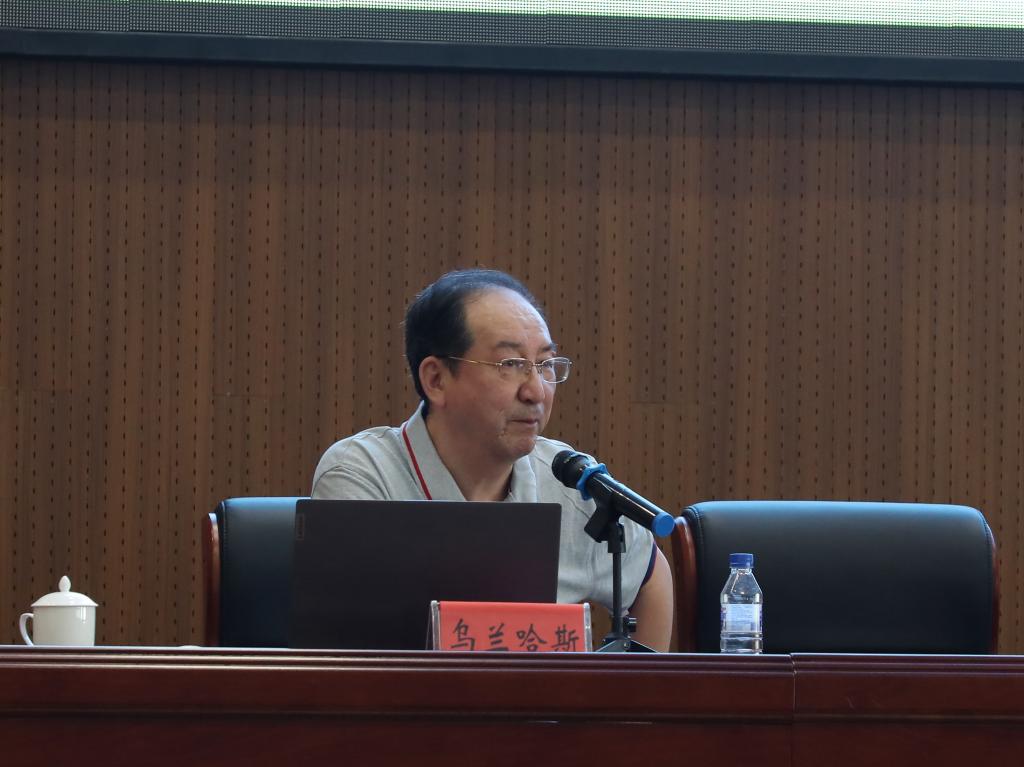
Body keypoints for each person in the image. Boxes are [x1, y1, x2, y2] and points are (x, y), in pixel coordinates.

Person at [311, 268, 674, 651]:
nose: (536, 392)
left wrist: (633, 689)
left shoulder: (568, 482)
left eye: (545, 365)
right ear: (436, 379)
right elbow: (343, 643)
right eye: (510, 365)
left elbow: (650, 577)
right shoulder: (365, 475)